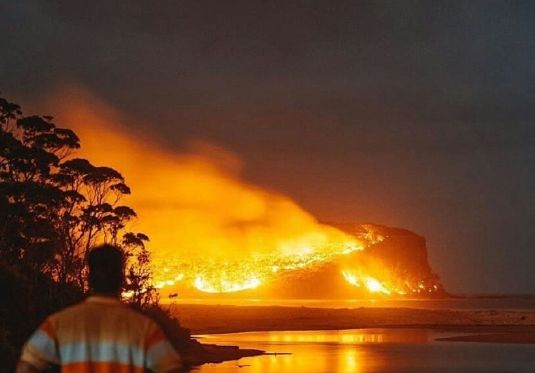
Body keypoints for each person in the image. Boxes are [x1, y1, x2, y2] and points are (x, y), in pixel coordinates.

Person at [16, 244, 183, 373]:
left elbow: (26, 367)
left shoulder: (59, 323)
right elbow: (172, 368)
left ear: (89, 278)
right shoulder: (144, 328)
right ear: (121, 279)